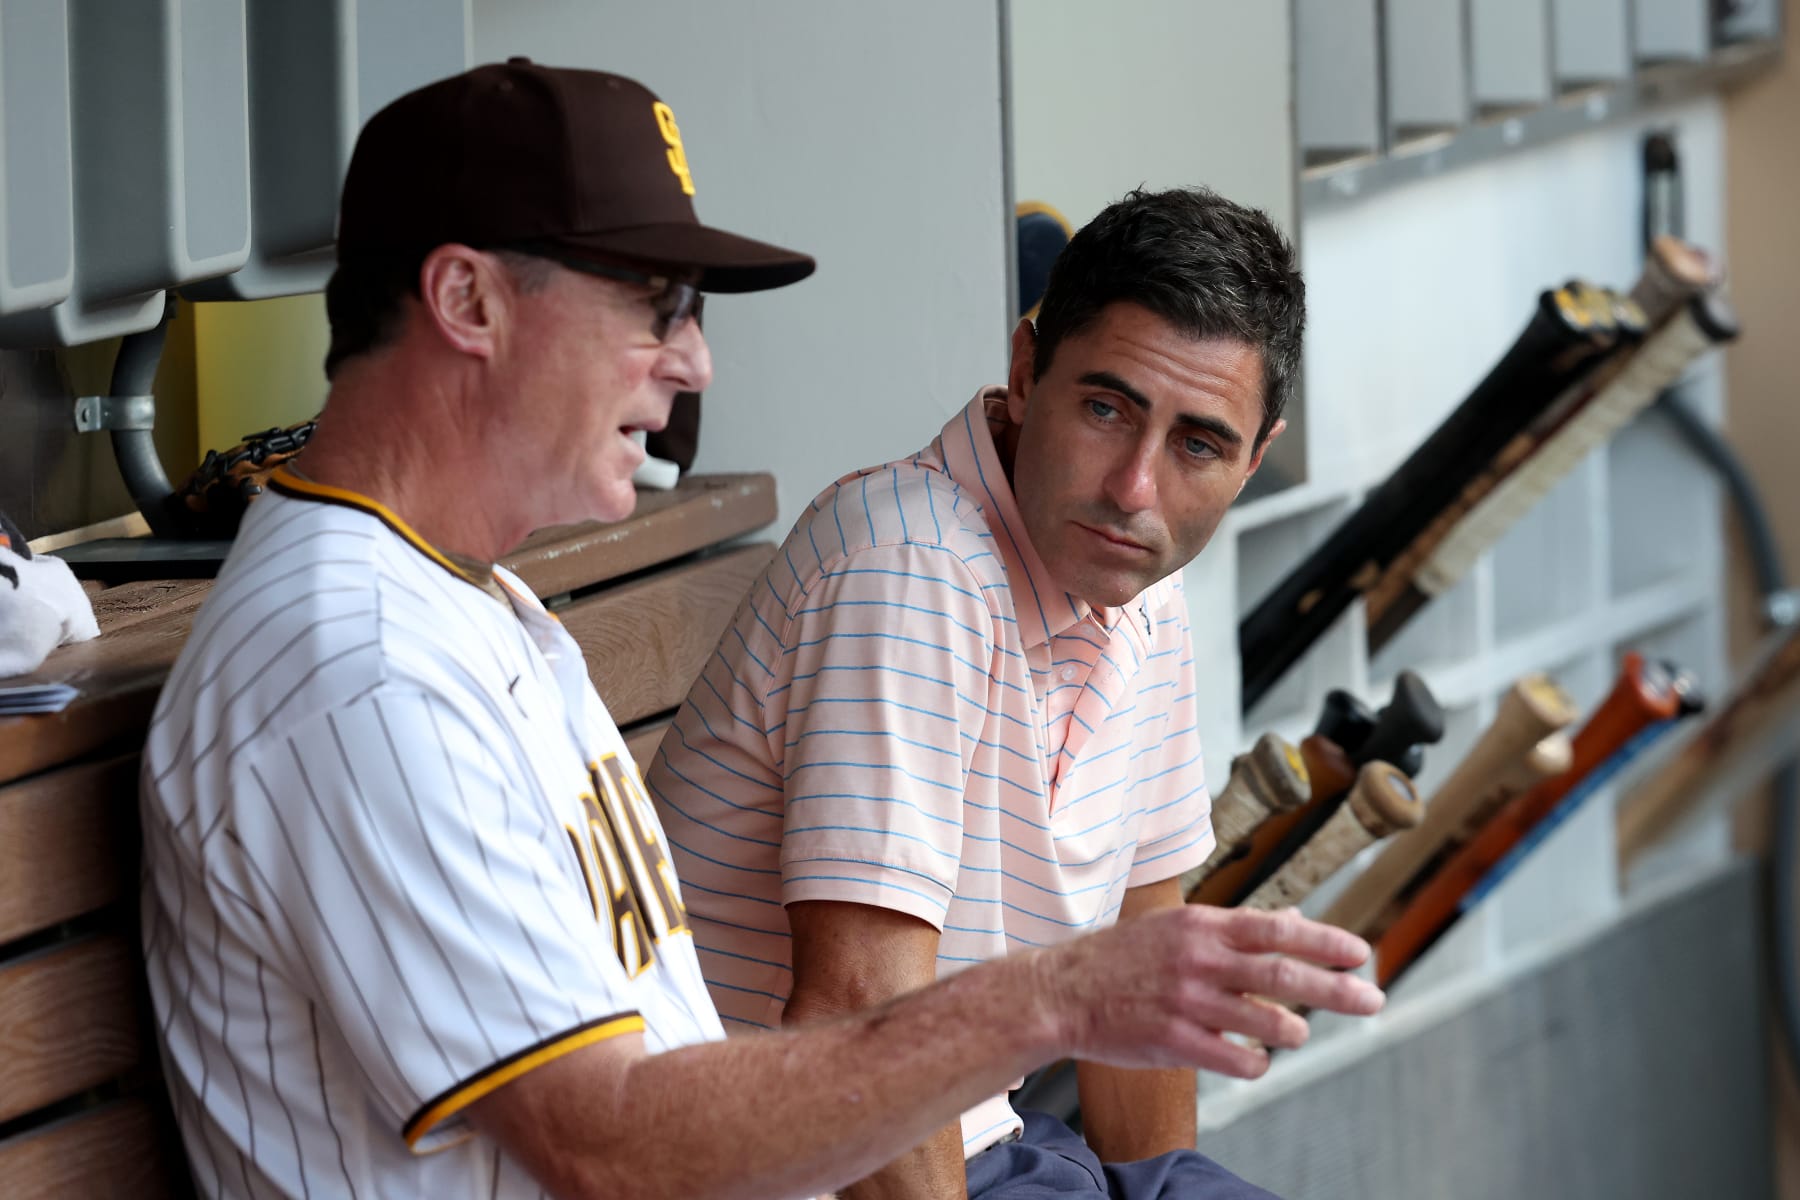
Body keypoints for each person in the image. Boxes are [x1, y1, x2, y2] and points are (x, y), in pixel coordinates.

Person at [140, 60, 1379, 1200]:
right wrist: (1047, 1000)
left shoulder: (471, 611)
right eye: (655, 305)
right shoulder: (361, 673)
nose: (694, 364)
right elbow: (605, 1144)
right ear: (469, 299)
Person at [646, 185, 1306, 1198]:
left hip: (989, 1146)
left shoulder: (1137, 585)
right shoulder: (912, 570)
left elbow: (1140, 962)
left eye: (1197, 445)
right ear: (1025, 369)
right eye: (1104, 407)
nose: (1135, 488)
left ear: (1253, 459)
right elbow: (852, 1029)